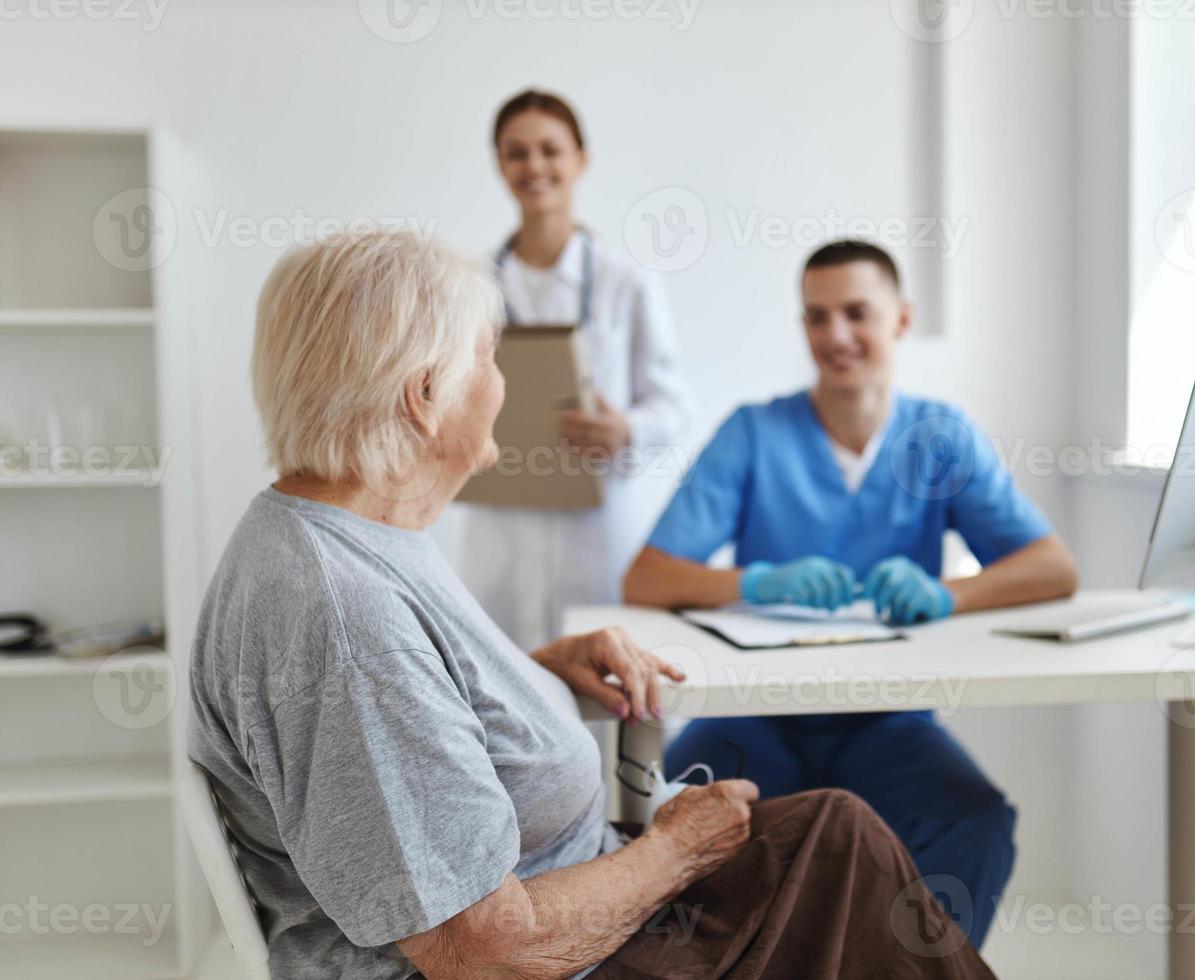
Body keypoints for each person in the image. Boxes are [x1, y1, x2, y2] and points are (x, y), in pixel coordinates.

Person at [188, 228, 998, 980]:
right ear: (426, 395)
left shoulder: (336, 539)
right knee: (837, 846)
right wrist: (675, 853)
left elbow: (407, 718)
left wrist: (532, 675)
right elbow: (484, 951)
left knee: (831, 833)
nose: (507, 386)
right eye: (491, 357)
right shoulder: (343, 614)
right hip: (559, 961)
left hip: (578, 912)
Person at [623, 239, 1079, 948]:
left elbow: (1052, 567)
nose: (835, 336)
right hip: (757, 716)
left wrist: (948, 594)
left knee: (976, 822)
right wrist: (755, 581)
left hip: (886, 722)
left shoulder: (940, 438)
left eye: (856, 313)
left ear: (901, 319)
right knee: (669, 818)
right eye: (816, 317)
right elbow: (647, 576)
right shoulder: (754, 434)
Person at [451, 88, 692, 651]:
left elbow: (675, 406)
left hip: (595, 531)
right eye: (516, 153)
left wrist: (625, 429)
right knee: (497, 677)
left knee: (600, 695)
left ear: (581, 160)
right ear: (499, 164)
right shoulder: (468, 285)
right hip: (497, 528)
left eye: (550, 150)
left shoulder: (625, 281)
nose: (534, 166)